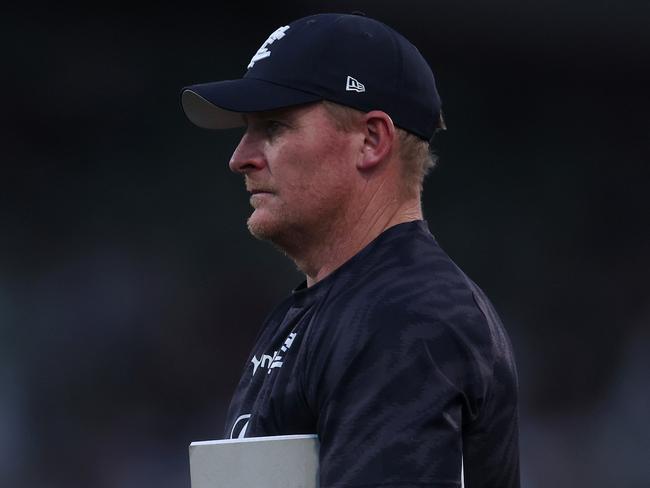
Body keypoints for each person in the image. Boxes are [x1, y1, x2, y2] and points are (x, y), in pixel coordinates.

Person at [180, 12, 519, 488]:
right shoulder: (332, 307)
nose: (240, 158)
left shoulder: (405, 314)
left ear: (371, 140)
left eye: (274, 127)